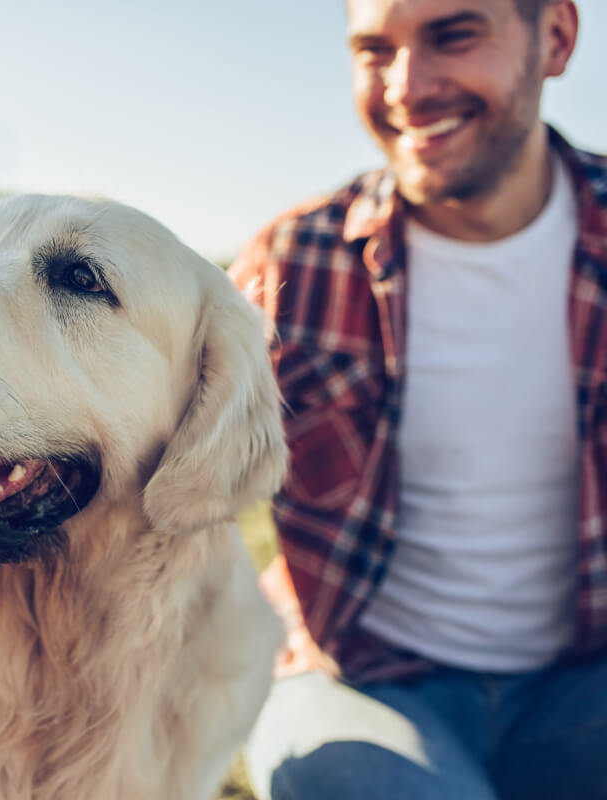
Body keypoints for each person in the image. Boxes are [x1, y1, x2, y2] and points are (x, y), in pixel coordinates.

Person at [229, 1, 607, 798]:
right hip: (355, 681)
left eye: (453, 34)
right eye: (374, 50)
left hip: (581, 686)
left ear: (557, 38)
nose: (407, 85)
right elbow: (144, 474)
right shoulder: (293, 264)